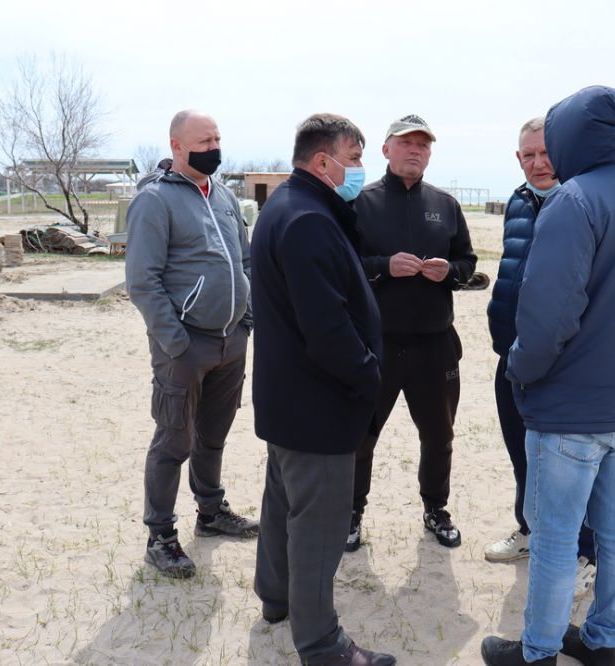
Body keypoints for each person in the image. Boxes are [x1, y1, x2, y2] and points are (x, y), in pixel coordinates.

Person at [481, 86, 615, 666]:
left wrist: (520, 369)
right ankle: (601, 642)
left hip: (567, 409)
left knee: (554, 538)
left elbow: (546, 318)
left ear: (571, 135)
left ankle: (538, 651)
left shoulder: (574, 201)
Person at [251, 113, 396, 666]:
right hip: (319, 404)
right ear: (322, 162)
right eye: (354, 159)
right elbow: (327, 326)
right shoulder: (308, 218)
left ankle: (275, 597)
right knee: (320, 524)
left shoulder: (288, 207)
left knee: (283, 502)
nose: (360, 169)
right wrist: (367, 376)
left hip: (290, 402)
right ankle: (322, 644)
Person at [125, 109, 258, 579]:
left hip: (231, 342)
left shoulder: (223, 196)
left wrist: (245, 319)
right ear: (177, 145)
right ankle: (160, 535)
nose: (214, 146)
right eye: (204, 139)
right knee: (173, 439)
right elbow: (143, 281)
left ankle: (211, 512)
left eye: (218, 137)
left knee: (213, 435)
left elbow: (244, 261)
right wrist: (175, 340)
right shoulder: (154, 201)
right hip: (185, 346)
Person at [347, 114, 477, 551]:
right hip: (377, 345)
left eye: (423, 144)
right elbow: (343, 268)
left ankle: (436, 509)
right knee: (361, 435)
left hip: (434, 344)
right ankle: (352, 511)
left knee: (439, 437)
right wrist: (383, 267)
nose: (415, 150)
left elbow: (468, 263)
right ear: (386, 150)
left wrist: (450, 272)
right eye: (406, 143)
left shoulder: (445, 204)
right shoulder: (360, 204)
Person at [484, 118, 597, 597]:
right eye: (528, 155)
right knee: (522, 455)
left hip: (563, 364)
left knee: (571, 468)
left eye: (545, 153)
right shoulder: (517, 200)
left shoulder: (584, 203)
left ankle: (584, 556)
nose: (538, 163)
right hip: (512, 357)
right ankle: (529, 531)